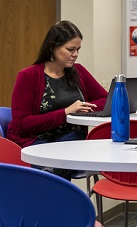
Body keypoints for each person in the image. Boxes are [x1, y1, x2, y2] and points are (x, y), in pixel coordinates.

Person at [7, 20, 108, 180]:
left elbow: (106, 99)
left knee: (68, 150)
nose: (75, 54)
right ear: (53, 47)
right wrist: (66, 113)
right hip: (37, 141)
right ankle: (52, 185)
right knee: (59, 163)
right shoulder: (28, 76)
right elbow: (21, 125)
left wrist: (83, 108)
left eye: (78, 49)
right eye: (70, 49)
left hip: (70, 138)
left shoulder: (79, 72)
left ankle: (51, 184)